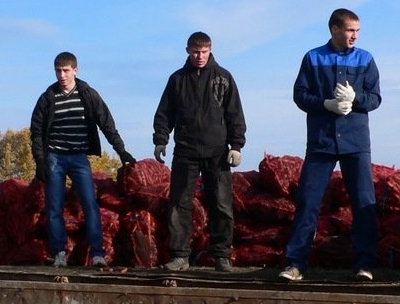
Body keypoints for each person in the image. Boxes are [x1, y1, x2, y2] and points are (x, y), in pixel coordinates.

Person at [280, 9, 381, 282]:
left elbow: (375, 98)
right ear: (335, 29)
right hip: (322, 141)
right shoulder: (313, 58)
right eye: (350, 30)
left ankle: (365, 264)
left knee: (363, 202)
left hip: (355, 141)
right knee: (308, 201)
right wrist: (325, 104)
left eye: (358, 31)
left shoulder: (366, 59)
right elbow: (300, 95)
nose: (355, 36)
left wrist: (356, 98)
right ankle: (296, 264)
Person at [152, 31, 247, 273]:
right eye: (196, 51)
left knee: (222, 205)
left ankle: (222, 256)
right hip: (185, 151)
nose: (200, 56)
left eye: (204, 51)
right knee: (179, 205)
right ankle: (179, 256)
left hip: (217, 152)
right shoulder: (177, 80)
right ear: (187, 51)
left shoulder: (223, 78)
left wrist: (236, 145)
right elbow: (164, 113)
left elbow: (235, 113)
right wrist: (161, 140)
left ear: (211, 49)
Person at [30, 52, 136, 268]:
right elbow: (37, 131)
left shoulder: (87, 94)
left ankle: (97, 254)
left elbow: (106, 123)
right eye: (58, 71)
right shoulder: (48, 98)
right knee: (54, 207)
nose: (62, 75)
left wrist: (121, 151)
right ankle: (59, 253)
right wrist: (40, 161)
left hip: (79, 157)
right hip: (55, 157)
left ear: (75, 71)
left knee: (89, 203)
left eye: (66, 70)